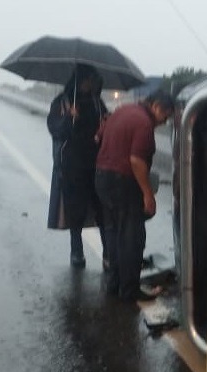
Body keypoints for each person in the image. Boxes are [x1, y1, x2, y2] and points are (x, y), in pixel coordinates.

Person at [94, 88, 177, 302]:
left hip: (102, 177)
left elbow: (97, 137)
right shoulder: (144, 123)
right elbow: (137, 161)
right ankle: (129, 290)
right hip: (123, 182)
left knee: (113, 233)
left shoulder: (122, 111)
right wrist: (148, 194)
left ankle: (114, 284)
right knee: (132, 237)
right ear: (156, 106)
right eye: (165, 116)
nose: (164, 122)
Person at [46, 66, 109, 269]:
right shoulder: (62, 102)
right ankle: (76, 252)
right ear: (80, 80)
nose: (91, 84)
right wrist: (69, 118)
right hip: (72, 165)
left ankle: (108, 254)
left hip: (97, 163)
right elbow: (55, 130)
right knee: (75, 210)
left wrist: (107, 123)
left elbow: (106, 126)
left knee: (103, 209)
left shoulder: (97, 102)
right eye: (89, 80)